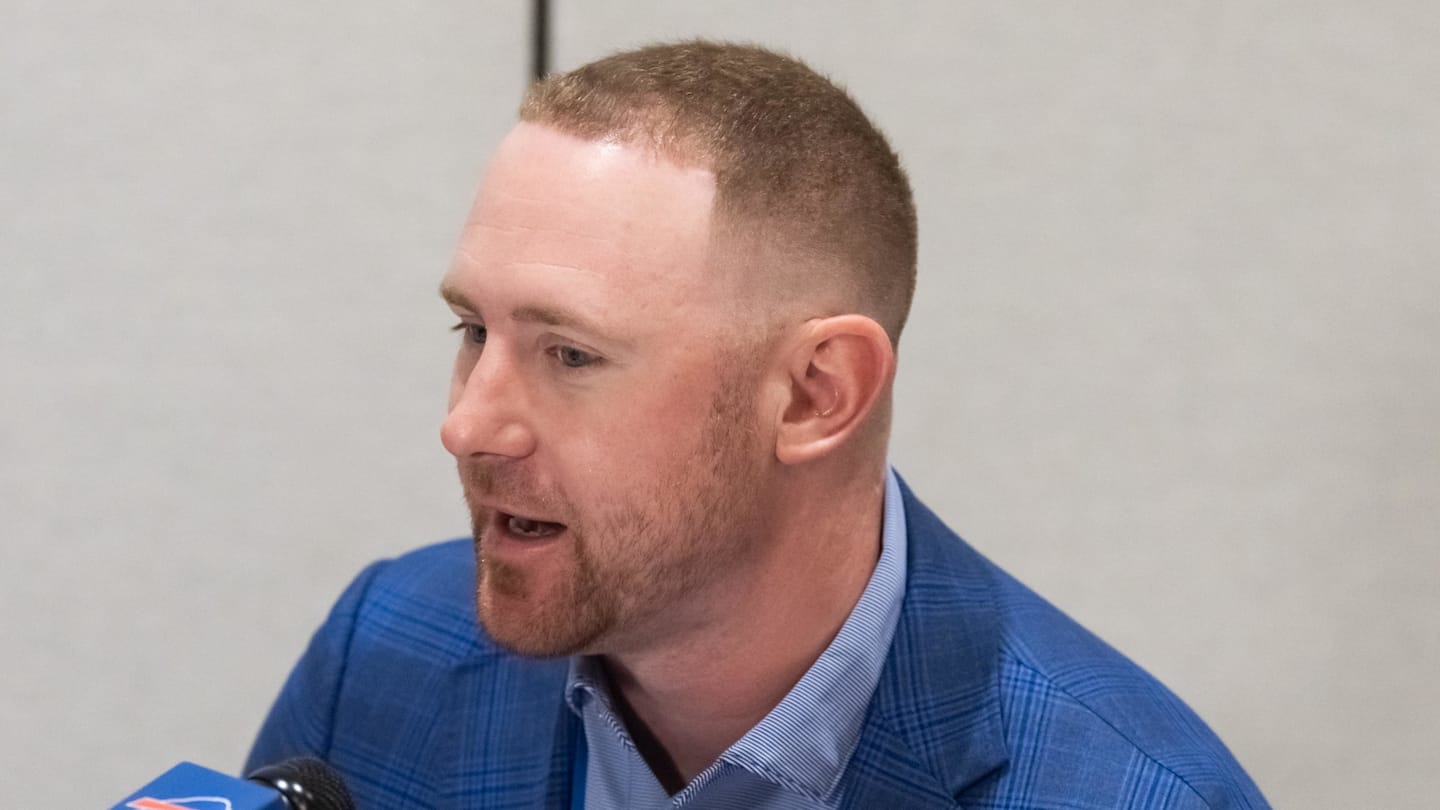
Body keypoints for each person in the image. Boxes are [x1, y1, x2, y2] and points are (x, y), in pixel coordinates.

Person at [247, 40, 1268, 809]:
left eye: (570, 355)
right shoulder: (383, 652)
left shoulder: (1126, 790)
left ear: (818, 393)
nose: (469, 424)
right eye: (474, 329)